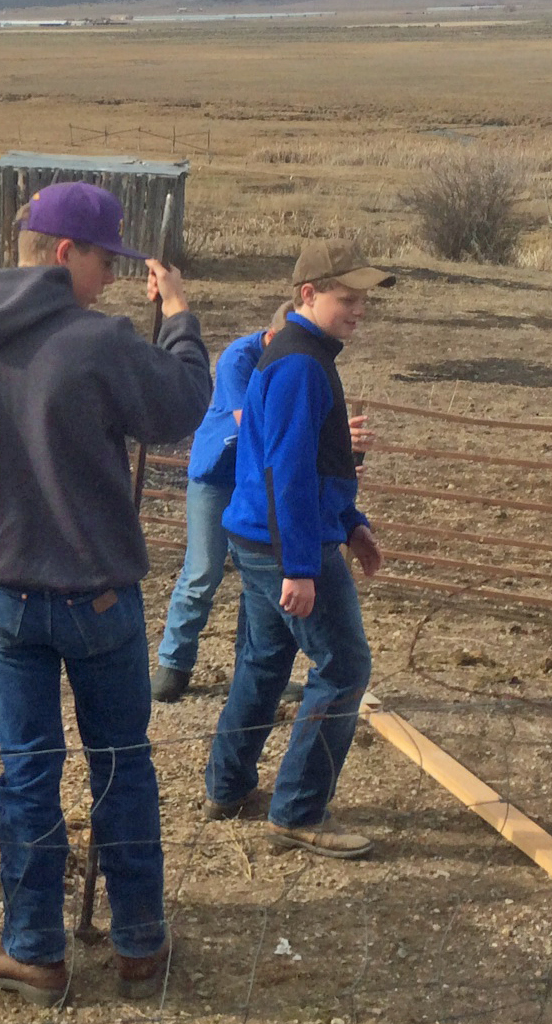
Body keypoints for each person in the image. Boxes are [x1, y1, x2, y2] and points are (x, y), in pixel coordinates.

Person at [0, 181, 213, 1005]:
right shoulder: (99, 342)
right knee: (122, 764)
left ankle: (35, 949)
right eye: (105, 260)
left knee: (28, 770)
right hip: (99, 593)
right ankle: (140, 944)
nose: (110, 278)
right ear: (65, 252)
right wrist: (178, 316)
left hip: (1, 590)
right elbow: (180, 405)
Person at [201, 239, 392, 859]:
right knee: (343, 668)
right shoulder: (302, 366)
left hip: (262, 535)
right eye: (347, 298)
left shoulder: (300, 356)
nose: (359, 309)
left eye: (364, 299)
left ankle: (226, 787)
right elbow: (287, 470)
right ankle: (299, 811)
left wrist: (352, 522)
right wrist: (303, 567)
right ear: (308, 295)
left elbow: (316, 462)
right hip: (284, 545)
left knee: (263, 662)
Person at [152, 304, 374, 705]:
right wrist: (334, 434)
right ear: (271, 336)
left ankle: (250, 673)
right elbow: (253, 423)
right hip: (216, 476)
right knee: (202, 571)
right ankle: (173, 663)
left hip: (253, 482)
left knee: (255, 584)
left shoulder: (292, 359)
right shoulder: (240, 357)